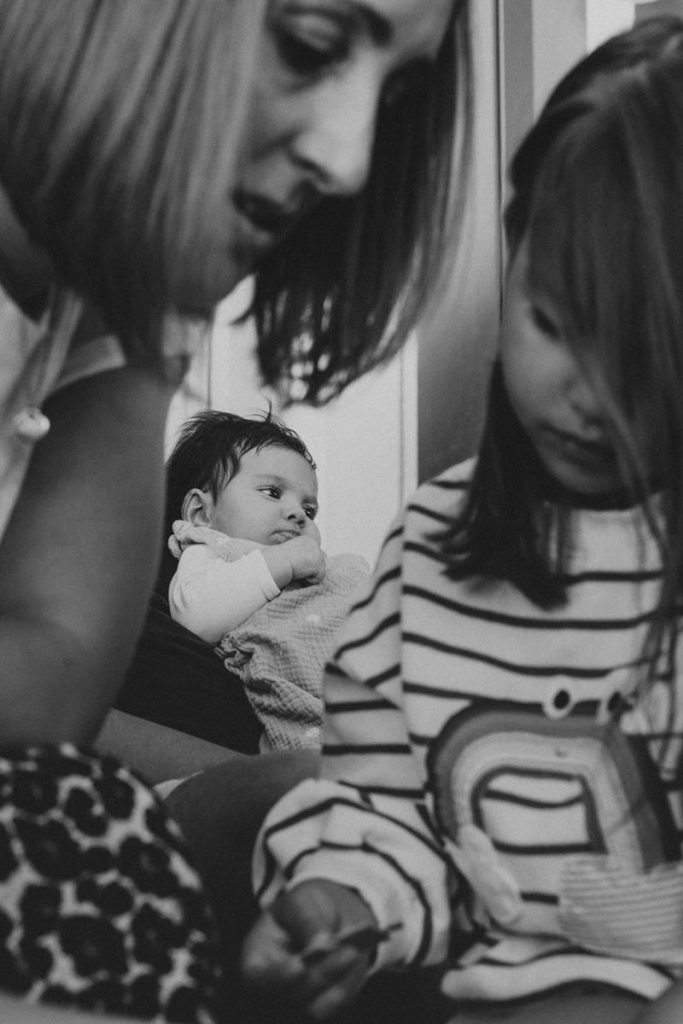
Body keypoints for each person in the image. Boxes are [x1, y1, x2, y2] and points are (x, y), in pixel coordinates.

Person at [0, 0, 472, 1020]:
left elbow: (52, 688)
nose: (349, 162)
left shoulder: (117, 303)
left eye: (392, 95)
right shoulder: (200, 561)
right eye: (308, 44)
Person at [241, 15, 683, 1024]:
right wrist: (343, 896)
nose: (583, 392)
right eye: (552, 322)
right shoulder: (429, 554)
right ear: (513, 257)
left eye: (647, 353)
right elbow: (389, 816)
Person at [165, 411, 370, 751]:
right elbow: (194, 616)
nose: (298, 514)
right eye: (273, 492)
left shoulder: (326, 566)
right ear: (201, 513)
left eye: (310, 509)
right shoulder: (212, 551)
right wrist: (283, 562)